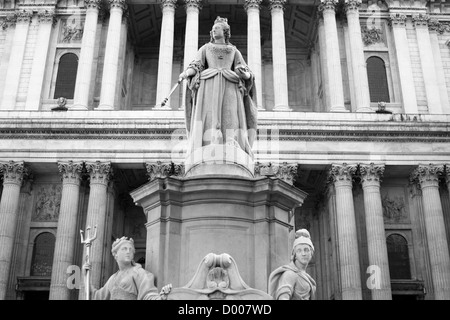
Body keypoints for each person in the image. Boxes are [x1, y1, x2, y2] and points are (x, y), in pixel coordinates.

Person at [179, 16, 258, 158]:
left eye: (217, 28)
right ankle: (208, 141)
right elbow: (196, 66)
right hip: (208, 83)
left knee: (230, 111)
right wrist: (186, 73)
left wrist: (245, 75)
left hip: (230, 83)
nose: (214, 31)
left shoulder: (233, 50)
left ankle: (231, 140)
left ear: (225, 31)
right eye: (213, 29)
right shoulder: (205, 48)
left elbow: (244, 69)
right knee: (208, 112)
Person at [82, 236, 171, 300]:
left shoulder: (139, 272)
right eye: (124, 249)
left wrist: (162, 297)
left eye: (130, 249)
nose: (128, 252)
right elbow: (97, 296)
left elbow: (148, 294)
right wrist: (86, 277)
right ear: (116, 254)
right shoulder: (113, 278)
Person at [268, 229, 317, 300]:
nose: (303, 254)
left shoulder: (306, 276)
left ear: (311, 253)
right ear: (295, 255)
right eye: (299, 250)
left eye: (306, 250)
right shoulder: (289, 274)